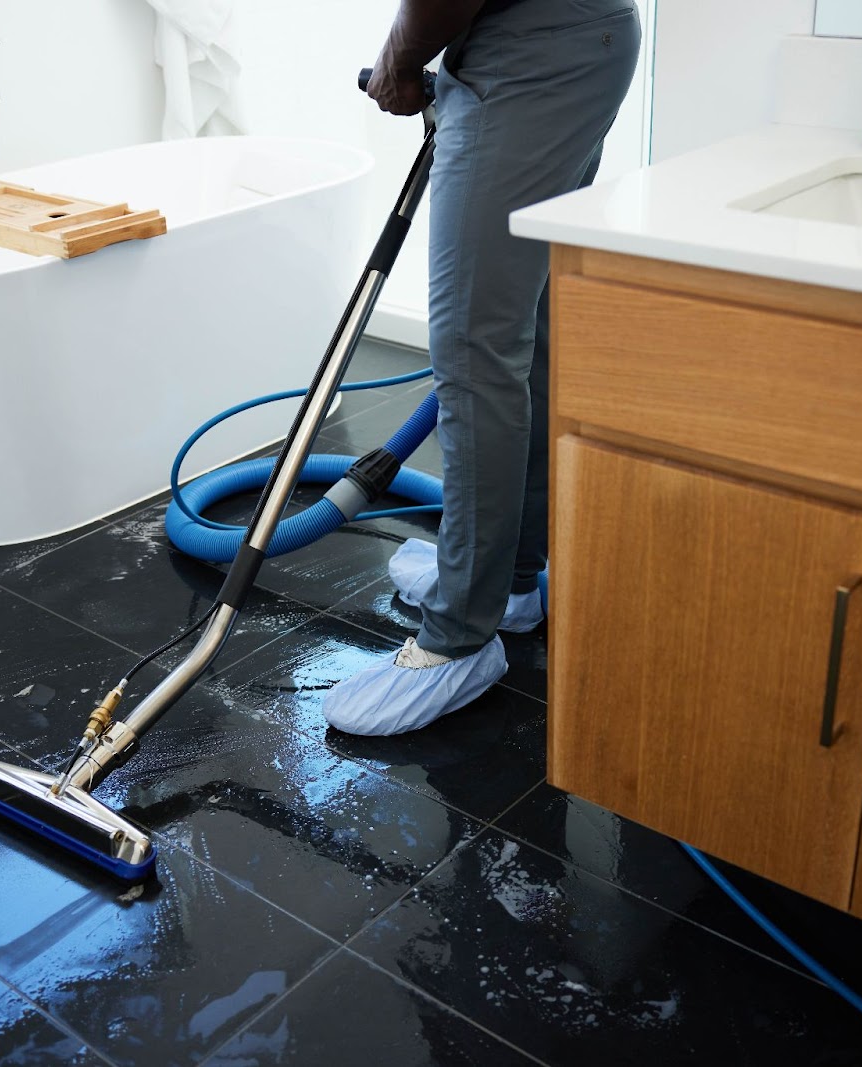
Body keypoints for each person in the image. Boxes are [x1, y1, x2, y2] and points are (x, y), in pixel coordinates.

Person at [321, 0, 642, 736]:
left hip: (527, 59)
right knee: (517, 333)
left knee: (475, 350)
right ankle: (513, 581)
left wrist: (403, 61)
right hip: (578, 37)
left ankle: (459, 636)